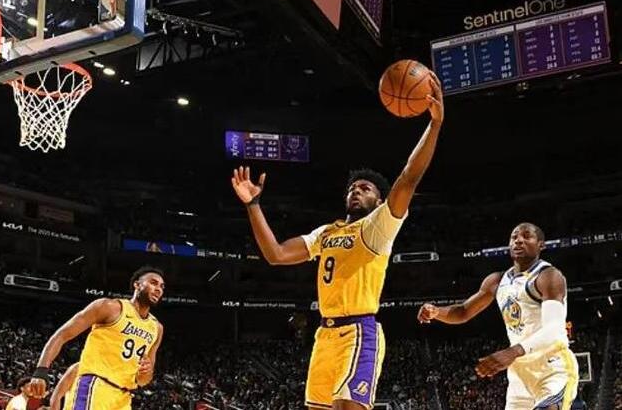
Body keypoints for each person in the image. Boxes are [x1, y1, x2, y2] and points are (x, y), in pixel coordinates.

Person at [231, 74, 444, 410]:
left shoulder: (378, 226)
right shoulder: (326, 232)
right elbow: (276, 254)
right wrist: (253, 205)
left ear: (379, 201)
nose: (356, 191)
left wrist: (434, 125)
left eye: (365, 189)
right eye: (352, 188)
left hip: (359, 331)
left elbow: (408, 178)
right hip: (324, 336)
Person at [417, 223, 578, 410]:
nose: (519, 240)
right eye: (514, 237)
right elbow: (463, 312)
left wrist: (512, 352)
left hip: (552, 367)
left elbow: (554, 330)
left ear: (541, 245)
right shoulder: (496, 281)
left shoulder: (549, 276)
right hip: (519, 374)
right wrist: (437, 312)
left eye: (527, 236)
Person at [27, 266, 165, 410]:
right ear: (137, 285)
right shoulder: (109, 307)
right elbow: (62, 335)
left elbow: (143, 380)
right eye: (153, 283)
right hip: (94, 386)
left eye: (162, 286)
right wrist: (41, 371)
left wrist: (146, 373)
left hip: (124, 397)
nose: (158, 289)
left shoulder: (156, 328)